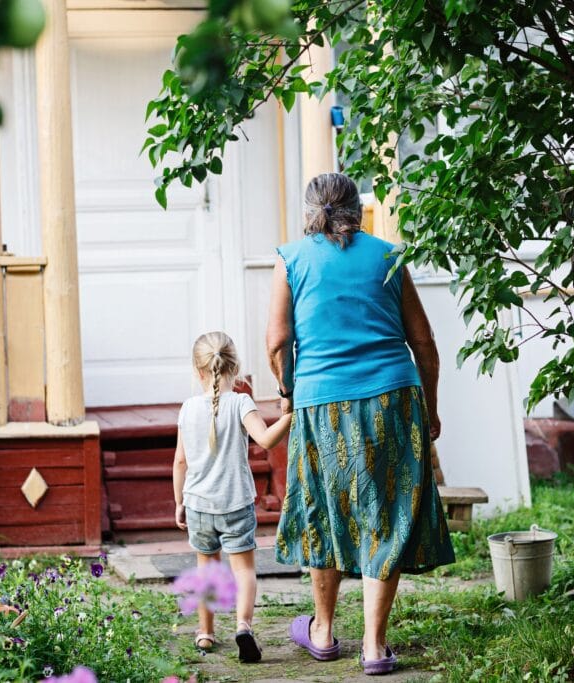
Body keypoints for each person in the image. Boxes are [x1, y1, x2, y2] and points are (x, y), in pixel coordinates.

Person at [267, 173, 455, 676]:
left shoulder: (291, 259)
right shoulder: (388, 256)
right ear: (359, 209)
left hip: (320, 402)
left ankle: (324, 633)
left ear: (309, 211)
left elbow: (276, 342)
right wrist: (431, 409)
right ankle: (374, 645)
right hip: (392, 399)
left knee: (322, 509)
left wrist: (288, 389)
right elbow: (426, 344)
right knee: (387, 511)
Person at [173, 331, 292, 663]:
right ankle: (243, 626)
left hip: (198, 504)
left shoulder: (187, 408)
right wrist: (290, 416)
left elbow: (180, 460)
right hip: (235, 503)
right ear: (234, 368)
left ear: (197, 370)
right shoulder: (241, 402)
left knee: (206, 570)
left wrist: (179, 502)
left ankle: (205, 633)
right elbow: (266, 440)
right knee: (243, 570)